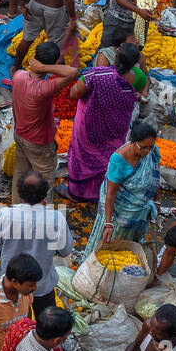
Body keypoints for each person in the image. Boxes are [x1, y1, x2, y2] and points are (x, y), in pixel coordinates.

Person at [0, 172, 73, 314]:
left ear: (19, 192)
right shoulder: (56, 218)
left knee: (10, 321)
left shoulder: (5, 215)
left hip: (11, 284)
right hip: (41, 285)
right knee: (45, 320)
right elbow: (65, 250)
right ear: (45, 194)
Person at [67, 45, 146, 202]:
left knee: (83, 156)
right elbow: (137, 94)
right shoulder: (139, 77)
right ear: (135, 62)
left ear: (115, 58)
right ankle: (102, 192)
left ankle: (76, 193)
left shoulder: (96, 75)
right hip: (117, 127)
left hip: (89, 125)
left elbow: (74, 93)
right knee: (106, 158)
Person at [83, 117, 161, 264]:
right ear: (133, 142)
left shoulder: (151, 150)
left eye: (151, 147)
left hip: (138, 211)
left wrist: (157, 200)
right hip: (118, 211)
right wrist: (108, 224)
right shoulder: (119, 160)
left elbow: (155, 175)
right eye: (143, 147)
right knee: (109, 247)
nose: (148, 151)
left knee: (128, 247)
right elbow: (111, 195)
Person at [11, 42, 79, 198]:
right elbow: (73, 72)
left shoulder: (18, 76)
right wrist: (43, 68)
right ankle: (43, 217)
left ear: (34, 56)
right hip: (39, 142)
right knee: (44, 181)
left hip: (20, 134)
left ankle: (16, 208)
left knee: (21, 174)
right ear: (54, 63)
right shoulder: (44, 88)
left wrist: (40, 67)